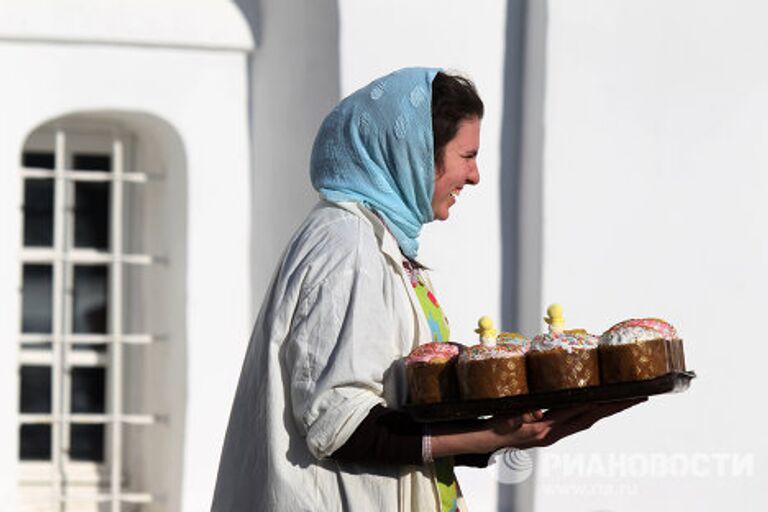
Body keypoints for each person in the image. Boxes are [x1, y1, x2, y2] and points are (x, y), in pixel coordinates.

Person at [211, 67, 641, 512]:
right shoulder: (349, 247)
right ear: (416, 155)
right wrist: (494, 434)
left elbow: (400, 416)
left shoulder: (378, 242)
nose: (474, 176)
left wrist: (512, 427)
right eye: (467, 156)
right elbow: (340, 423)